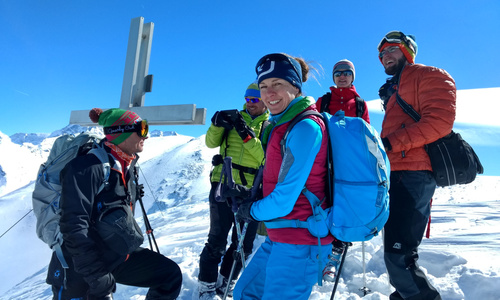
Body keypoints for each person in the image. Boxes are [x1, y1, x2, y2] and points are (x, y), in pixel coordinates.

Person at [46, 108, 182, 300]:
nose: (147, 135)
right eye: (141, 129)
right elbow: (73, 227)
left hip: (115, 256)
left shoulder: (125, 166)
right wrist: (96, 274)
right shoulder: (86, 168)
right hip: (80, 266)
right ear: (122, 132)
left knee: (169, 275)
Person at [233, 53, 333, 300]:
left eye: (277, 84)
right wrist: (251, 195)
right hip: (281, 236)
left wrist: (251, 210)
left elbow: (285, 199)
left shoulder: (305, 127)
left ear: (295, 86)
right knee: (245, 293)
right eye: (264, 86)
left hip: (301, 241)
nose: (269, 93)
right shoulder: (282, 125)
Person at [377, 31, 456, 300]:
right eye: (382, 53)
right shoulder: (394, 88)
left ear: (408, 52)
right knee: (396, 254)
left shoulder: (430, 75)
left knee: (398, 257)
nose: (385, 56)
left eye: (392, 49)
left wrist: (389, 143)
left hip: (415, 175)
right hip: (396, 174)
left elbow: (439, 123)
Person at [198, 83, 269, 299]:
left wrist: (247, 136)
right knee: (217, 239)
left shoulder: (270, 126)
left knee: (244, 244)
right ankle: (206, 286)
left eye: (255, 99)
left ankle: (226, 281)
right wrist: (217, 124)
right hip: (222, 183)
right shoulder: (232, 119)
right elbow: (211, 143)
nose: (250, 103)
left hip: (252, 189)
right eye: (248, 98)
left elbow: (266, 159)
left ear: (265, 100)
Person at [316, 59, 371, 282]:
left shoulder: (359, 104)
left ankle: (335, 253)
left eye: (347, 72)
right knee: (323, 201)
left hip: (348, 162)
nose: (342, 76)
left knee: (344, 204)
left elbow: (365, 134)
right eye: (338, 72)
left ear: (352, 76)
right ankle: (320, 247)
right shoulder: (324, 100)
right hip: (324, 160)